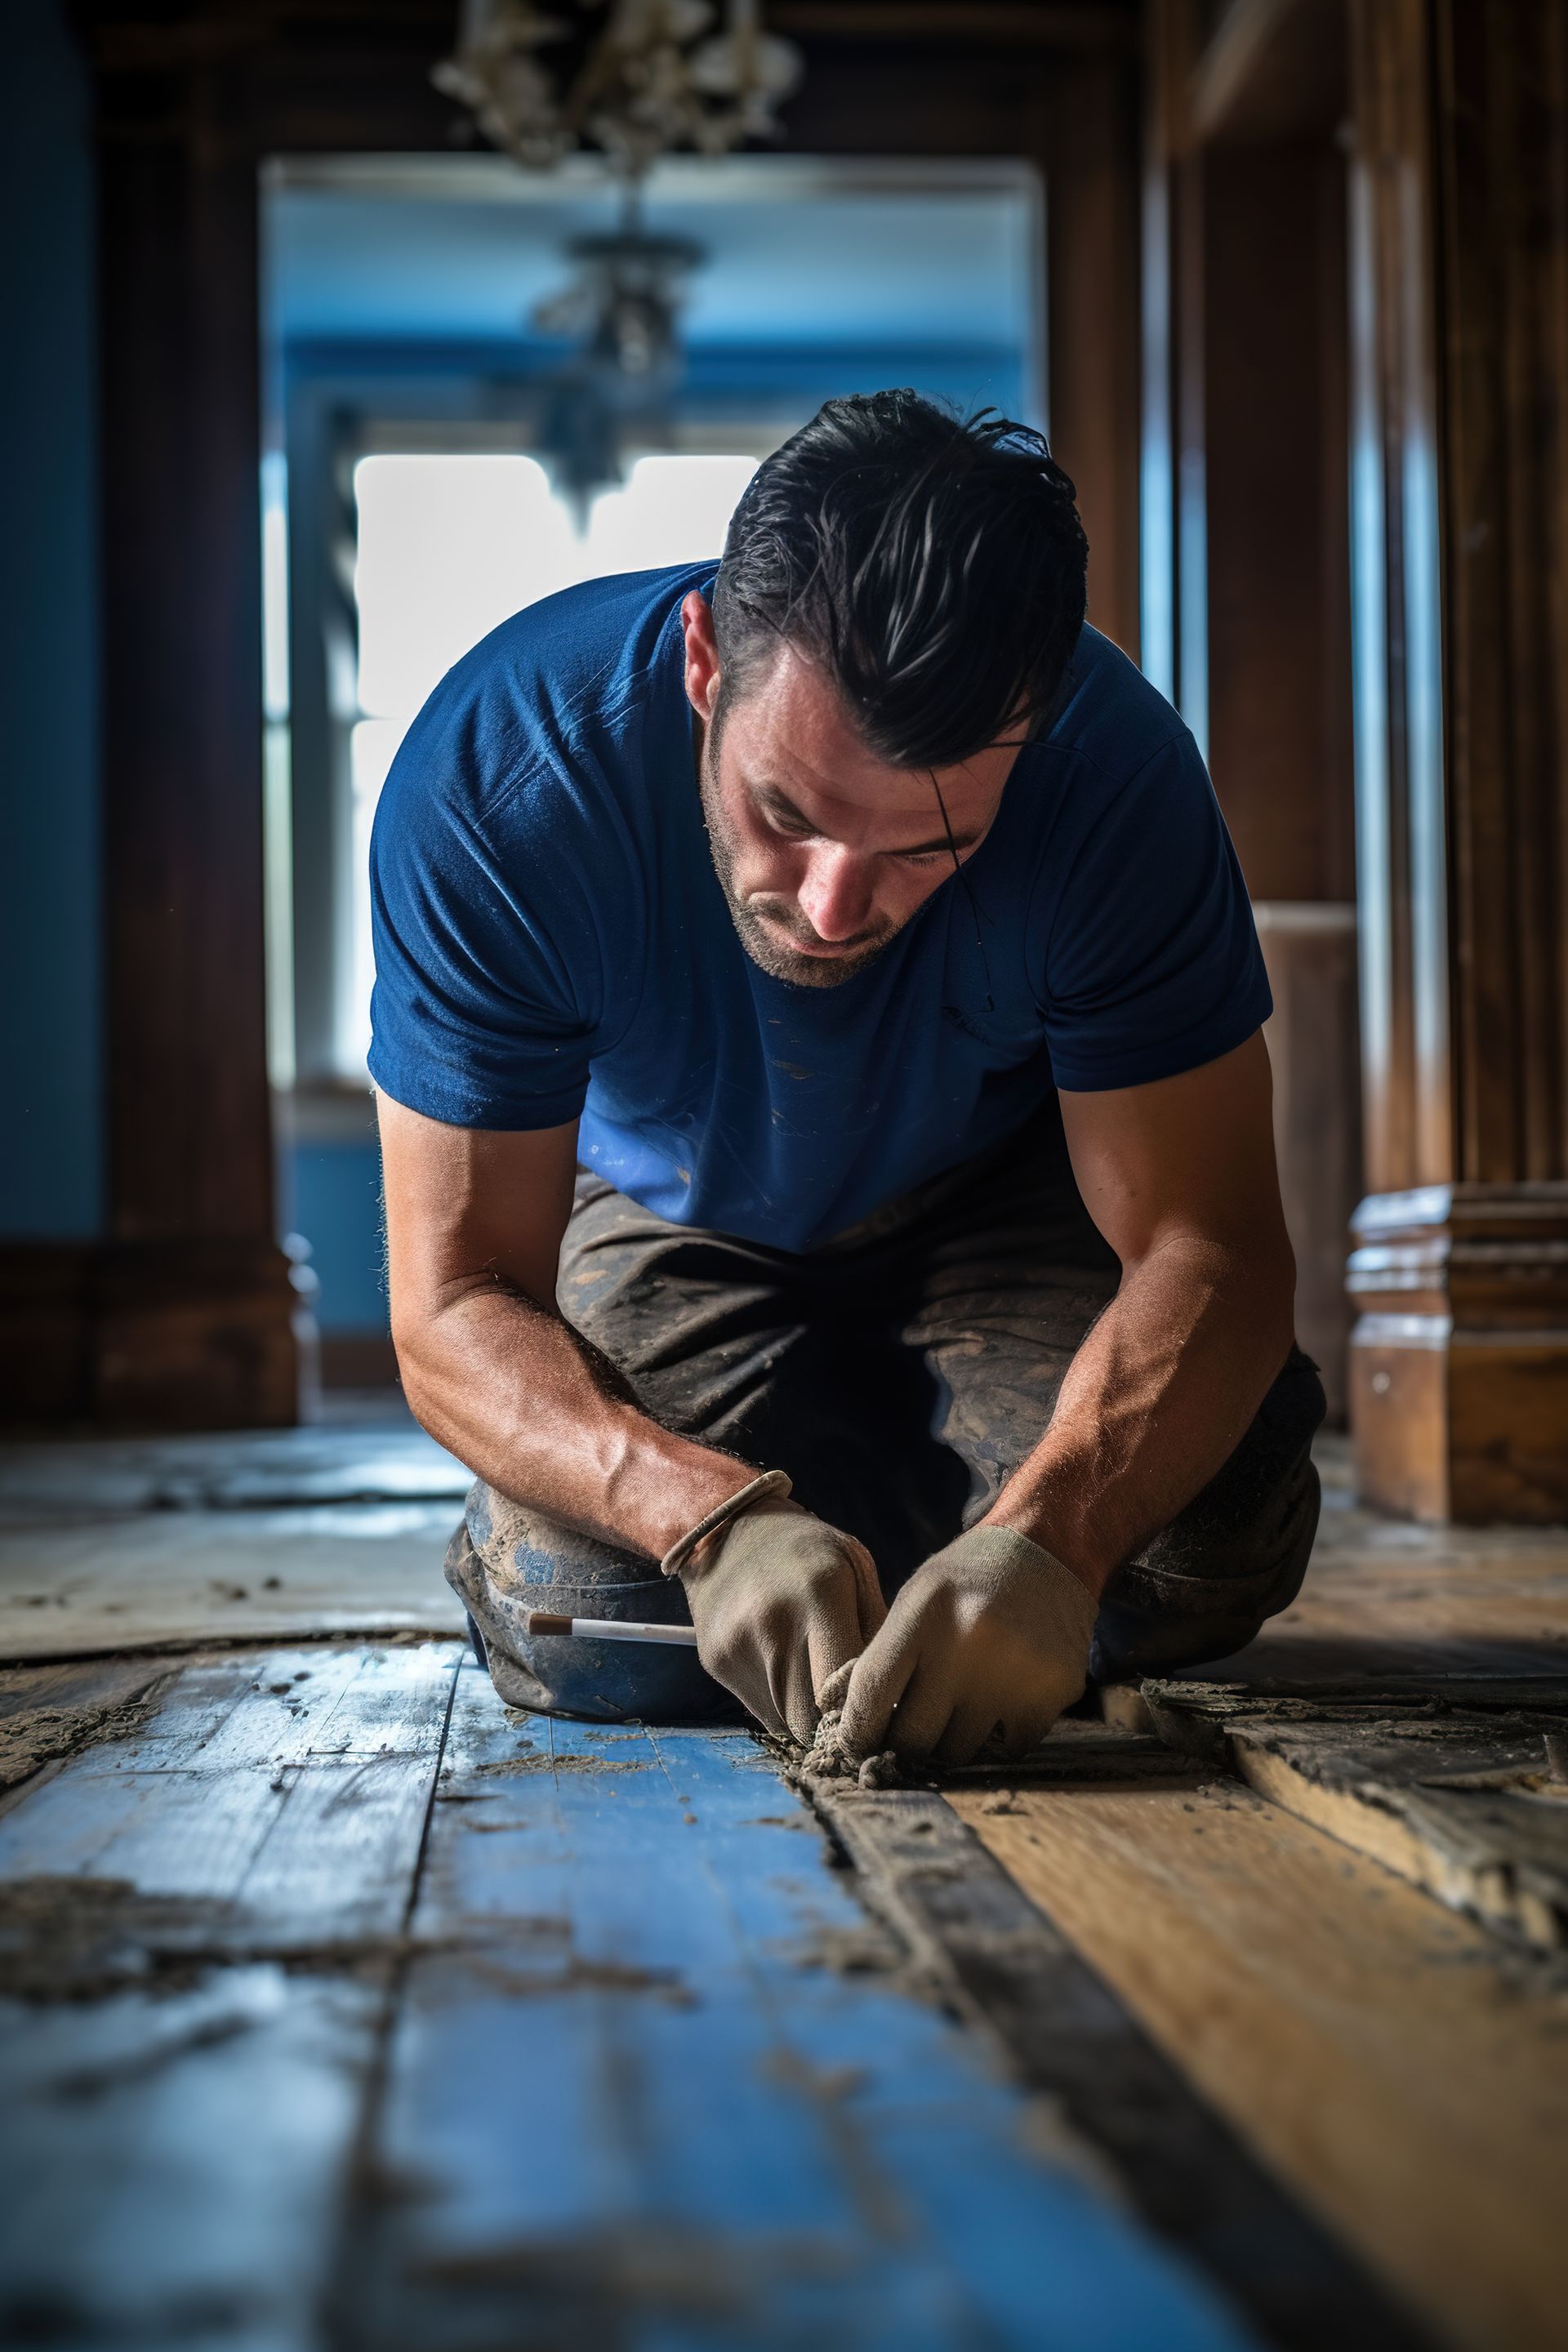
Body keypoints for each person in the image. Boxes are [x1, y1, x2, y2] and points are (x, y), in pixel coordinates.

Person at [371, 390, 1324, 1767]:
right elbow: (454, 1302)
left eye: (926, 846)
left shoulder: (1114, 780)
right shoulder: (503, 779)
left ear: (1032, 735)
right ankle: (852, 1518)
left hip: (1007, 1195)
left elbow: (1212, 1244)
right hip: (669, 1208)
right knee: (593, 1615)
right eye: (785, 812)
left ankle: (924, 1527)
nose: (830, 908)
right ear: (704, 662)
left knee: (1194, 1546)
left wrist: (1054, 1544)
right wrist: (704, 1518)